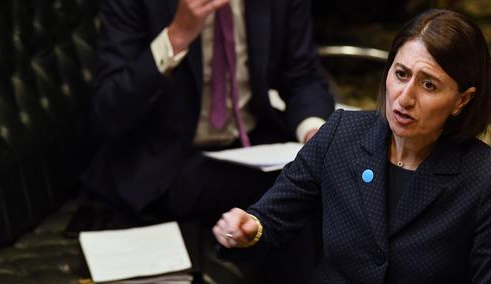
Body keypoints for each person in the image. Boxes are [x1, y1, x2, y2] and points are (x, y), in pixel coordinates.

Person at [213, 8, 491, 284]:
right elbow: (272, 217)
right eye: (401, 74)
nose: (404, 98)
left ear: (462, 100)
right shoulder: (341, 135)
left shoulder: (487, 178)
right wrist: (250, 228)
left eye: (428, 85)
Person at [81, 0, 335, 225]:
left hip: (252, 143)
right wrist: (176, 36)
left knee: (328, 173)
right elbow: (108, 112)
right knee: (290, 191)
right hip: (169, 159)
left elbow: (303, 78)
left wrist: (313, 132)